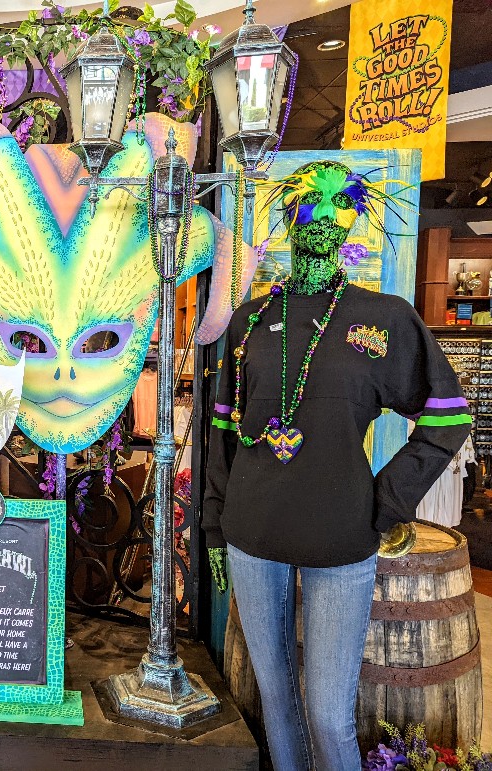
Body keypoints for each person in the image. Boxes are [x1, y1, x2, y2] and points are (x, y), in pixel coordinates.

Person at [203, 161, 470, 770]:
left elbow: (449, 416)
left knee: (328, 715)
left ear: (353, 218)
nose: (322, 214)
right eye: (308, 201)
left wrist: (385, 501)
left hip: (342, 539)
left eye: (338, 202)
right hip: (252, 535)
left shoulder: (384, 319)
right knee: (276, 700)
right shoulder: (249, 323)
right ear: (289, 215)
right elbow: (222, 433)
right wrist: (215, 526)